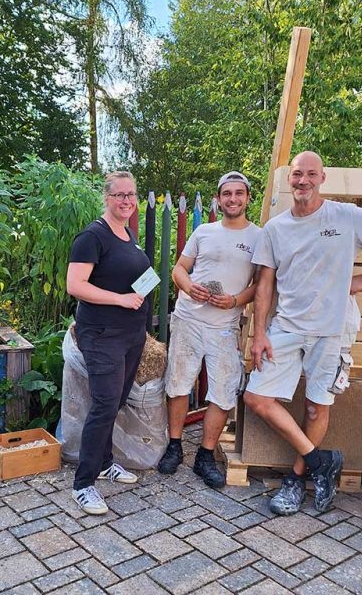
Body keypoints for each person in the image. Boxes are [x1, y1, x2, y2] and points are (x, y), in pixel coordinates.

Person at [244, 151, 362, 515]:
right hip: (287, 327)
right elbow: (264, 286)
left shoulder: (345, 216)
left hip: (332, 330)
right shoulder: (275, 229)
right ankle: (319, 461)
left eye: (311, 174)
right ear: (289, 179)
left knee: (315, 406)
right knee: (257, 399)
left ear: (322, 178)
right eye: (297, 174)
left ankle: (297, 479)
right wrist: (259, 333)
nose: (303, 181)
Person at [158, 172, 261, 487]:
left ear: (247, 198)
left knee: (223, 390)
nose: (232, 199)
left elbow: (260, 284)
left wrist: (235, 301)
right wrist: (189, 287)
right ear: (218, 198)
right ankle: (174, 446)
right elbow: (178, 268)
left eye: (238, 193)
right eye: (226, 194)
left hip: (225, 327)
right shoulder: (204, 231)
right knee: (177, 383)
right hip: (189, 319)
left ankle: (205, 456)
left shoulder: (259, 237)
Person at [66, 170, 150, 515]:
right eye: (120, 195)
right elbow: (76, 285)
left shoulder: (127, 235)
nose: (127, 201)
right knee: (104, 404)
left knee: (114, 402)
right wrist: (120, 299)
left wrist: (141, 290)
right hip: (102, 335)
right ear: (107, 198)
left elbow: (132, 279)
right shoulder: (92, 236)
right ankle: (83, 484)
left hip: (130, 334)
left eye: (131, 195)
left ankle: (104, 464)